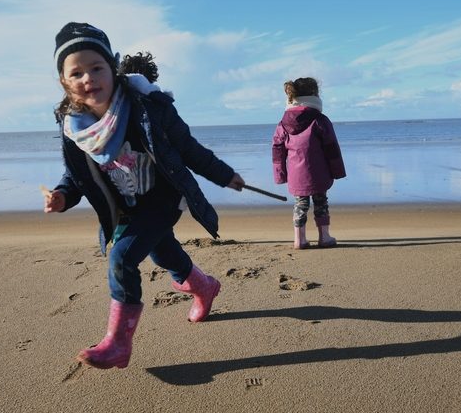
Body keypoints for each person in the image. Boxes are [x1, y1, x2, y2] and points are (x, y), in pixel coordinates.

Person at [43, 22, 245, 370]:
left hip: (162, 199)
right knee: (162, 252)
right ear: (64, 81)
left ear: (113, 69)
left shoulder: (149, 107)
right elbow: (76, 174)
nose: (88, 78)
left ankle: (118, 343)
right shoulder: (74, 125)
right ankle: (204, 286)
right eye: (76, 72)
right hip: (125, 206)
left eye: (96, 68)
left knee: (122, 258)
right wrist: (62, 196)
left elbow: (187, 148)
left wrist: (224, 175)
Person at [272, 77, 346, 249]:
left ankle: (299, 239)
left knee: (300, 204)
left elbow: (277, 150)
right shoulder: (320, 120)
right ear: (314, 95)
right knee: (321, 202)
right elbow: (332, 148)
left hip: (296, 174)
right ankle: (324, 237)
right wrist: (337, 171)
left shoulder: (283, 123)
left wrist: (280, 174)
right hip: (319, 171)